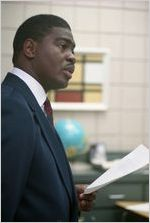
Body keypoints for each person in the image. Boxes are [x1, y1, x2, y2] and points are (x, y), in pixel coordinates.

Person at [1, 14, 96, 222]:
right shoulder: (10, 106)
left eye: (73, 50)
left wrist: (67, 196)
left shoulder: (33, 104)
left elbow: (27, 188)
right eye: (63, 46)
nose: (72, 56)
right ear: (30, 49)